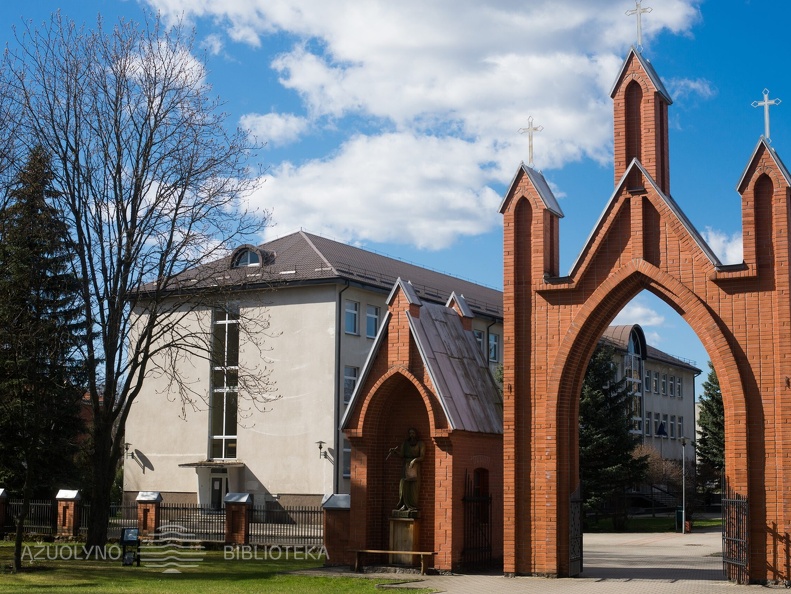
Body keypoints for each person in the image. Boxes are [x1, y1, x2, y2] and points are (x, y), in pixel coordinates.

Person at [388, 427, 425, 511]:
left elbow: (422, 456)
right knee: (404, 485)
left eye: (413, 433)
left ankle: (412, 505)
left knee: (414, 487)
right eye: (410, 433)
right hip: (406, 466)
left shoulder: (420, 444)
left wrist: (414, 460)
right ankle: (404, 504)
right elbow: (402, 454)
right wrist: (395, 452)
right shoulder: (405, 443)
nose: (412, 435)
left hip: (415, 467)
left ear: (416, 434)